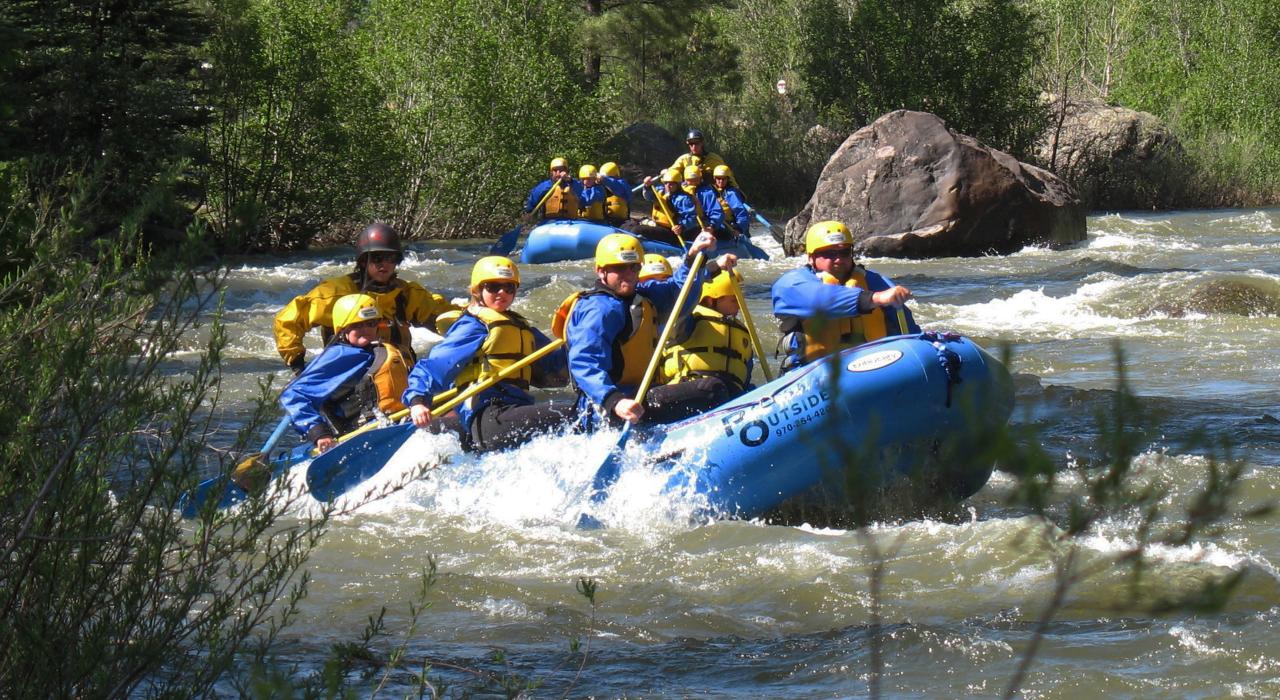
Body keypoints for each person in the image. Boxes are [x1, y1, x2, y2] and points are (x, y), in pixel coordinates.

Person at [557, 232, 736, 432]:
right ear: (601, 271)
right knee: (712, 389)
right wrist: (614, 401)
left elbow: (678, 290)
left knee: (718, 387)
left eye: (634, 267)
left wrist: (694, 256)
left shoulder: (642, 295)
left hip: (639, 396)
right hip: (609, 408)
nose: (628, 274)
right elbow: (584, 361)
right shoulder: (599, 310)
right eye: (619, 268)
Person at [402, 257, 570, 452]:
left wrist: (577, 338)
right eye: (493, 287)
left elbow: (556, 372)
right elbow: (436, 364)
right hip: (490, 416)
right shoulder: (474, 325)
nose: (502, 293)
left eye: (509, 288)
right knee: (580, 414)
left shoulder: (523, 329)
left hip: (512, 412)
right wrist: (417, 401)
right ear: (477, 290)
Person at [274, 222, 459, 373]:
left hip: (398, 373)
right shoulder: (336, 292)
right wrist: (298, 365)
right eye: (377, 258)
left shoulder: (407, 294)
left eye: (391, 258)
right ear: (364, 261)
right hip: (349, 376)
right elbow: (288, 321)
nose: (384, 265)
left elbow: (445, 317)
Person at [771, 220, 919, 371]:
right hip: (813, 376)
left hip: (875, 369)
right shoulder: (790, 285)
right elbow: (822, 298)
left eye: (844, 252)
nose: (839, 259)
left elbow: (910, 332)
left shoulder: (876, 283)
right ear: (811, 257)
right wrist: (875, 299)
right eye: (829, 253)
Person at [280, 294, 413, 453]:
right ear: (342, 329)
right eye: (356, 325)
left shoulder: (378, 351)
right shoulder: (341, 355)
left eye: (370, 323)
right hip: (357, 437)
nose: (365, 330)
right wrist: (319, 433)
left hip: (393, 425)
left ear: (378, 326)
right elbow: (292, 394)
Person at [659, 266, 754, 401]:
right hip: (688, 389)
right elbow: (682, 301)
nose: (739, 305)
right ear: (710, 300)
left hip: (727, 394)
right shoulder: (690, 320)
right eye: (733, 300)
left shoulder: (743, 333)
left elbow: (746, 376)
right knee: (714, 388)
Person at [524, 157, 596, 222]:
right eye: (555, 170)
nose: (558, 173)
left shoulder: (574, 184)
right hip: (549, 222)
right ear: (551, 172)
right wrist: (529, 213)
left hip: (571, 222)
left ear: (567, 171)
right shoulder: (544, 186)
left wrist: (569, 181)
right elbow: (532, 201)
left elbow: (585, 197)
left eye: (561, 170)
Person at [629, 167, 686, 248]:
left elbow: (691, 218)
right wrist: (647, 186)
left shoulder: (683, 198)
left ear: (678, 184)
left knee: (637, 230)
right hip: (658, 225)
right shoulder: (660, 191)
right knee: (629, 225)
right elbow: (649, 196)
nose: (668, 186)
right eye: (666, 183)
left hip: (671, 232)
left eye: (671, 184)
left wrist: (681, 226)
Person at [671, 128, 737, 188]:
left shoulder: (714, 159)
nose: (694, 146)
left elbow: (728, 176)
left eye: (697, 143)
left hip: (710, 193)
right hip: (689, 192)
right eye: (691, 144)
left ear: (702, 143)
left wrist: (736, 189)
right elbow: (671, 172)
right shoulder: (684, 159)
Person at [671, 165, 723, 241]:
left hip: (701, 224)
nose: (694, 183)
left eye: (696, 179)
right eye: (690, 180)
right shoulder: (679, 190)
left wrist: (712, 226)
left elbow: (716, 211)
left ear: (700, 178)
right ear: (685, 180)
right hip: (681, 225)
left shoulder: (706, 192)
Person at [710, 164, 752, 241]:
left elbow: (740, 212)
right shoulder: (710, 191)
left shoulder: (731, 193)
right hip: (717, 226)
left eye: (724, 179)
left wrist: (739, 229)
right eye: (718, 178)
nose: (721, 181)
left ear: (728, 179)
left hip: (731, 226)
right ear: (714, 178)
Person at [598, 161, 632, 226]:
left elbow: (618, 189)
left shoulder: (622, 184)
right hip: (605, 220)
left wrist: (605, 179)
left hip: (621, 222)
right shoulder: (601, 185)